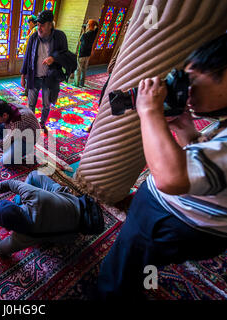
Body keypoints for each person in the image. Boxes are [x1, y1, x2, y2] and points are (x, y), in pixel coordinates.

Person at [97, 34, 227, 300]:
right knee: (147, 264)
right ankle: (145, 284)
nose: (185, 91)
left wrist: (150, 112)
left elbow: (172, 178)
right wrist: (188, 131)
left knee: (121, 272)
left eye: (192, 80)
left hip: (173, 223)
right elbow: (207, 165)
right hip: (177, 224)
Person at [0, 170, 104, 256]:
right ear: (15, 205)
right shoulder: (33, 196)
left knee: (43, 238)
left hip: (72, 234)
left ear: (8, 228)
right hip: (74, 203)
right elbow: (9, 184)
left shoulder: (23, 237)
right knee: (34, 175)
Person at [20, 10, 69, 133]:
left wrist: (54, 58)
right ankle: (30, 125)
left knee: (46, 105)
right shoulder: (34, 37)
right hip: (34, 76)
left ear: (50, 25)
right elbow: (27, 57)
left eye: (42, 25)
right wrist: (22, 75)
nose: (39, 28)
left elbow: (65, 55)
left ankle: (42, 123)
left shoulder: (59, 37)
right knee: (31, 104)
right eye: (38, 25)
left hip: (49, 79)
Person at [0, 98, 41, 165]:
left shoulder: (18, 120)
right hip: (16, 131)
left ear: (5, 115)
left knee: (5, 161)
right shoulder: (6, 108)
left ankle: (27, 149)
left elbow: (5, 142)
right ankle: (12, 149)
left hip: (26, 140)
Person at [73, 19, 98, 87]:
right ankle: (82, 83)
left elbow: (80, 40)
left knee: (78, 69)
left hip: (82, 54)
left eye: (87, 24)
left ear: (89, 26)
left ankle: (76, 83)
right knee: (84, 70)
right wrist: (93, 24)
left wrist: (83, 31)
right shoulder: (94, 33)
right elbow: (97, 27)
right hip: (88, 54)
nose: (86, 25)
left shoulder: (85, 35)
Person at [18, 15, 38, 97]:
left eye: (29, 23)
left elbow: (30, 43)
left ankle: (28, 92)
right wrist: (20, 48)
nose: (28, 25)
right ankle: (27, 92)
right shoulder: (34, 30)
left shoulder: (35, 29)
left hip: (31, 56)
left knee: (28, 73)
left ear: (31, 22)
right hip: (30, 55)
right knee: (28, 74)